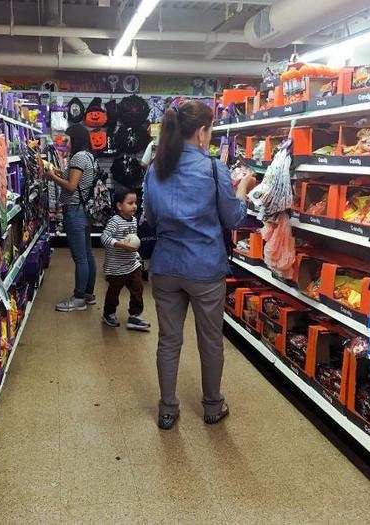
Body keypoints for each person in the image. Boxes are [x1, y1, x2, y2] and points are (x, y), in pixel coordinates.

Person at [143, 100, 256, 430]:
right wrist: (244, 190)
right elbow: (233, 217)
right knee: (210, 340)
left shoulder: (156, 168)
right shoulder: (212, 168)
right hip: (205, 267)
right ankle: (211, 405)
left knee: (168, 339)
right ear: (202, 132)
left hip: (165, 265)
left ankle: (167, 408)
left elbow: (149, 217)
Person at [42, 124, 97, 312]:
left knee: (80, 257)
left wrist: (51, 177)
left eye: (68, 138)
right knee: (87, 254)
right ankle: (88, 294)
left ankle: (78, 298)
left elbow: (71, 186)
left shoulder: (78, 157)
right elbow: (77, 181)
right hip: (83, 209)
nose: (66, 142)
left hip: (74, 210)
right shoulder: (88, 156)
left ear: (76, 138)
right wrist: (58, 173)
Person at [100, 186, 150, 332]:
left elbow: (132, 240)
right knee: (114, 292)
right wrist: (118, 243)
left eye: (135, 202)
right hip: (116, 267)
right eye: (130, 203)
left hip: (132, 264)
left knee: (137, 289)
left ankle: (134, 315)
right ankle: (108, 313)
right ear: (119, 206)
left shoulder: (134, 220)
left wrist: (137, 255)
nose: (134, 206)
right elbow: (104, 237)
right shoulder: (115, 221)